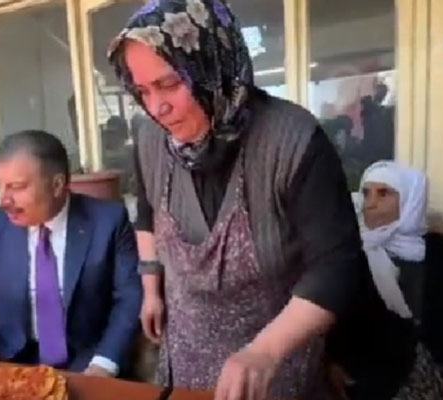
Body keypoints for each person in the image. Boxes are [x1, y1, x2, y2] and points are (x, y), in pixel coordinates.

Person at [107, 0, 368, 398]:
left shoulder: (292, 140)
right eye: (142, 91)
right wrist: (150, 288)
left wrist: (264, 352)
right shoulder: (150, 139)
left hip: (276, 365)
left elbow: (337, 265)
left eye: (170, 84)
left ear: (213, 65)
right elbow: (147, 211)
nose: (157, 107)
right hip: (187, 355)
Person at [0, 130, 142, 377]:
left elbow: (129, 298)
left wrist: (104, 364)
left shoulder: (108, 221)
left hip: (87, 362)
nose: (4, 201)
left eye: (17, 187)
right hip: (8, 362)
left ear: (57, 185)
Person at [327, 161, 443, 399]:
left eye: (384, 193)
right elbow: (334, 311)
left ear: (410, 200)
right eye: (366, 193)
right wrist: (332, 360)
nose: (370, 203)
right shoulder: (351, 252)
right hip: (369, 380)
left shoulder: (437, 251)